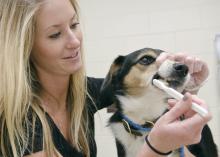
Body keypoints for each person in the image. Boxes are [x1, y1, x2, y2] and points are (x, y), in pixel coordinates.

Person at [0, 0, 211, 157]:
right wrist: (157, 147)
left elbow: (135, 93)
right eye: (55, 34)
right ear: (24, 48)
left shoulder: (85, 92)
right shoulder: (17, 120)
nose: (75, 42)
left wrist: (186, 85)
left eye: (74, 25)